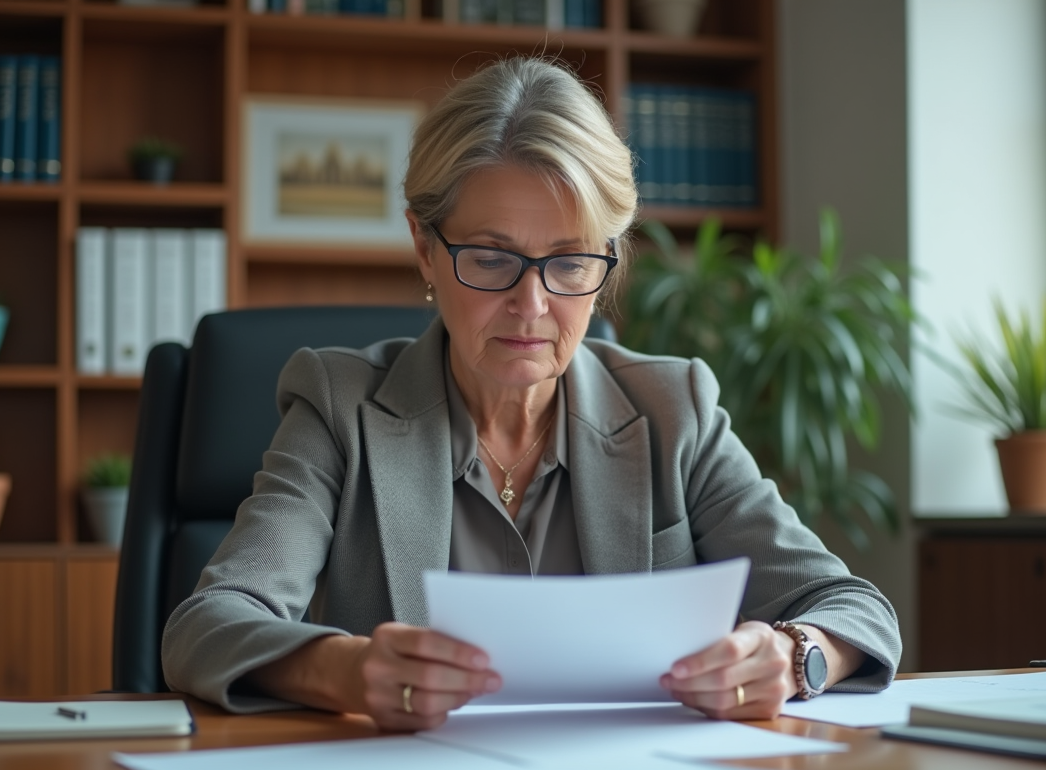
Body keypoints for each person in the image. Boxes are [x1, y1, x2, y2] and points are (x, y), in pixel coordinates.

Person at [162, 56, 901, 732]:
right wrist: (344, 670)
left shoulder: (674, 411)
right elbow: (207, 625)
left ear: (606, 262)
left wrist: (795, 652)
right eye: (491, 258)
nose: (533, 304)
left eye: (570, 263)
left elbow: (855, 609)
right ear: (425, 246)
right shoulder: (341, 407)